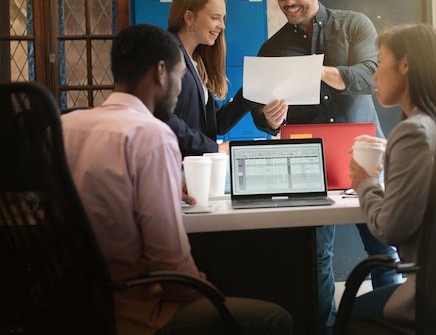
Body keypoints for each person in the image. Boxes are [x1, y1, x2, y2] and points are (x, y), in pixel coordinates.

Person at [61, 24, 292, 335]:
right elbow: (171, 267)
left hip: (75, 306)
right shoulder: (152, 136)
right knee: (275, 317)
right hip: (139, 312)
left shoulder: (65, 127)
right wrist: (209, 285)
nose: (182, 89)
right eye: (181, 75)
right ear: (160, 71)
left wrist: (163, 189)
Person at [250, 0, 399, 335]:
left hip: (363, 149)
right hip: (306, 156)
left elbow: (369, 76)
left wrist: (314, 70)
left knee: (382, 245)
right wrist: (270, 118)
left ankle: (394, 323)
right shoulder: (272, 48)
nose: (287, 2)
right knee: (316, 256)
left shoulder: (355, 24)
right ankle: (325, 330)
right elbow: (260, 117)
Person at [347, 23, 436, 330]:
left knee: (343, 312)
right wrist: (391, 150)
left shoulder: (413, 131)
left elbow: (390, 230)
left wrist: (365, 183)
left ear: (405, 64)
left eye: (380, 60)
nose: (374, 75)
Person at [166, 0, 282, 155]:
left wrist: (252, 89)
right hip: (177, 168)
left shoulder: (196, 62)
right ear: (189, 17)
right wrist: (213, 148)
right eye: (215, 18)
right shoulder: (167, 53)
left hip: (197, 167)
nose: (223, 26)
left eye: (223, 18)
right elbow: (163, 117)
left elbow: (217, 124)